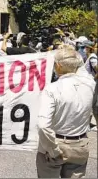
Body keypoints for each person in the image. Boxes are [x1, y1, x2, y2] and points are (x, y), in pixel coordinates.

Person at [36, 45, 96, 178]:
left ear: (57, 66)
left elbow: (43, 125)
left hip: (55, 144)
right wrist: (71, 53)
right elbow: (80, 66)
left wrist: (53, 150)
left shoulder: (52, 89)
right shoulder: (90, 84)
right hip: (79, 145)